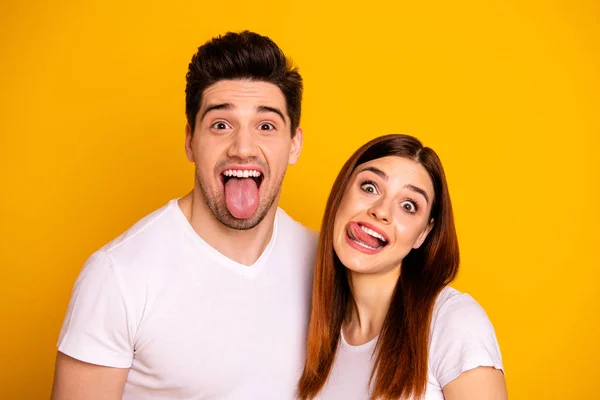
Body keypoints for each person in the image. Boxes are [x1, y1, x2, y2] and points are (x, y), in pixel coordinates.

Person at [51, 31, 317, 399]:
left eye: (266, 126)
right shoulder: (117, 277)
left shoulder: (324, 265)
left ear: (295, 144)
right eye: (221, 125)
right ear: (191, 140)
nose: (242, 148)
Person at [298, 134, 507, 400]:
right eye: (370, 187)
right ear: (340, 194)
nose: (381, 211)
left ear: (423, 234)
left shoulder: (452, 322)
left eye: (408, 205)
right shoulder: (316, 335)